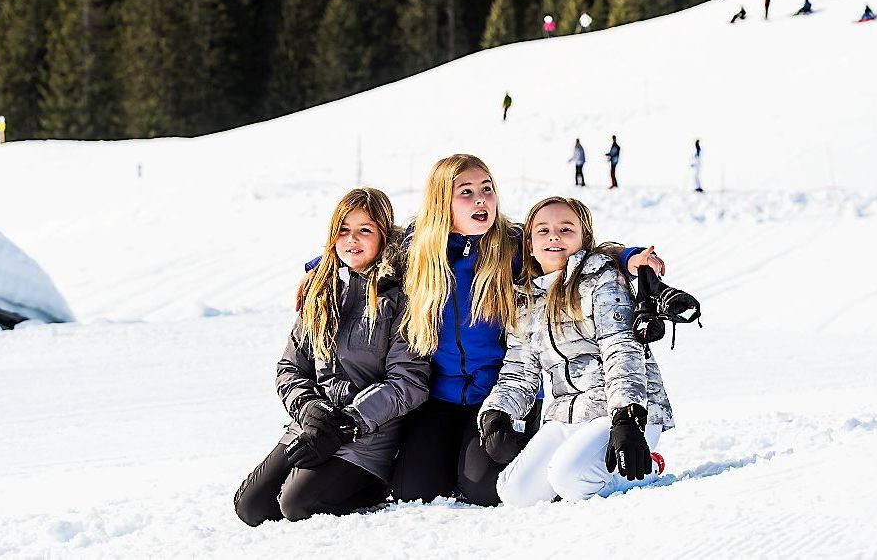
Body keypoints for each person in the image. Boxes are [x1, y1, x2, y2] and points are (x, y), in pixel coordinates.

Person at [389, 154, 664, 506]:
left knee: (486, 493)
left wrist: (629, 257)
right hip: (442, 397)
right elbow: (365, 253)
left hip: (498, 390)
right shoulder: (417, 248)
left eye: (487, 189)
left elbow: (576, 248)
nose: (481, 200)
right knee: (413, 491)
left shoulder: (512, 244)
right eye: (467, 192)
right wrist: (320, 270)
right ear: (442, 200)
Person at [233, 188, 430, 526]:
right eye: (344, 229)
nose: (352, 239)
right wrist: (309, 410)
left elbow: (408, 383)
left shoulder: (403, 297)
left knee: (297, 505)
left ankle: (374, 490)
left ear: (383, 236)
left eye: (365, 230)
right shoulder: (321, 290)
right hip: (313, 425)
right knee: (251, 507)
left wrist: (347, 424)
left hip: (368, 433)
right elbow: (290, 368)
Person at [479, 197, 676, 506]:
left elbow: (621, 349)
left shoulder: (604, 279)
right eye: (543, 230)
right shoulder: (525, 301)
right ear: (529, 245)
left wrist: (627, 418)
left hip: (624, 415)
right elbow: (519, 371)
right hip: (566, 415)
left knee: (569, 480)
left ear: (584, 239)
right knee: (514, 492)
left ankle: (646, 464)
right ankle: (586, 467)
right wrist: (497, 414)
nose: (554, 236)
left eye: (565, 229)